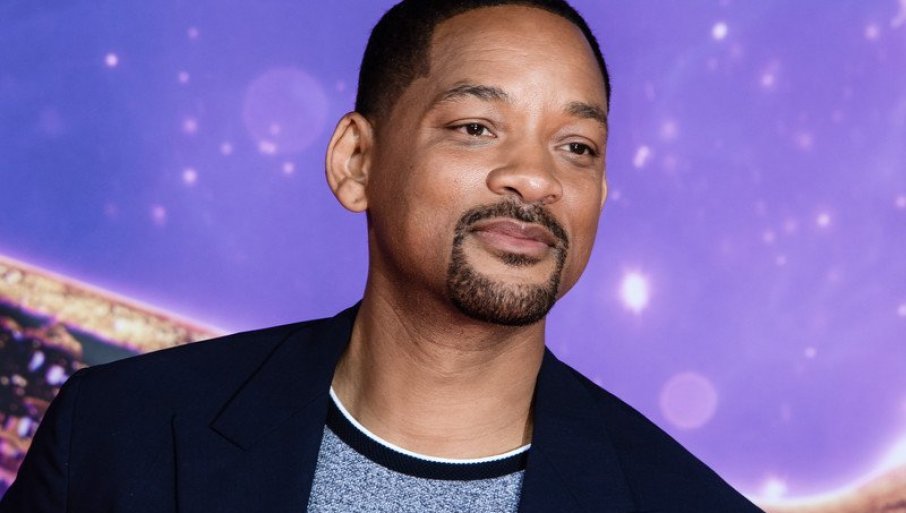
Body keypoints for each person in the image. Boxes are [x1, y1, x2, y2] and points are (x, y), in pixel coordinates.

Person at [1, 1, 765, 511]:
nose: (535, 177)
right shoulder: (116, 436)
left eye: (577, 146)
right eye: (475, 127)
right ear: (356, 161)